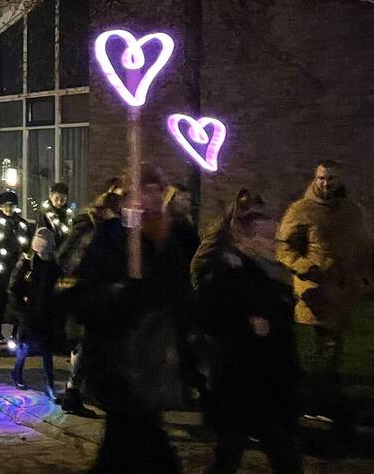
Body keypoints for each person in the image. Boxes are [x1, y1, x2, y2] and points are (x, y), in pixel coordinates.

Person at [67, 164, 191, 473]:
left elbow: (179, 290)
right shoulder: (110, 235)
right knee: (139, 442)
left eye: (158, 190)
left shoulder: (167, 237)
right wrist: (122, 292)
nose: (153, 197)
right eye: (146, 190)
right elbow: (85, 292)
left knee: (126, 444)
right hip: (118, 359)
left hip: (152, 358)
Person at [193, 189, 302, 474]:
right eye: (267, 238)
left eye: (275, 237)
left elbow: (283, 321)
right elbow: (207, 313)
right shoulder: (228, 270)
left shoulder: (274, 273)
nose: (273, 244)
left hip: (268, 381)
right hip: (240, 380)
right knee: (234, 452)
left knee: (274, 452)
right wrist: (246, 322)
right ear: (248, 238)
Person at [275, 160, 373, 432]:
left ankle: (327, 400)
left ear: (338, 180)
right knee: (313, 351)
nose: (325, 183)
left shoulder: (353, 211)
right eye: (321, 178)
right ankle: (309, 403)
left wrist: (364, 276)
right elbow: (284, 247)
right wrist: (305, 267)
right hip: (314, 291)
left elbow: (365, 246)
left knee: (333, 349)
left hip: (343, 291)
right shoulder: (301, 211)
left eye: (330, 179)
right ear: (315, 179)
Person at [55, 178, 124, 415]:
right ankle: (75, 394)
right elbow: (68, 255)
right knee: (86, 346)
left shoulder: (117, 226)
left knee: (92, 347)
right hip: (87, 295)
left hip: (102, 295)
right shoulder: (92, 223)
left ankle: (82, 392)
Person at [8, 221, 62, 399]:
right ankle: (17, 372)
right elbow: (15, 288)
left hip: (46, 314)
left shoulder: (54, 265)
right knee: (24, 348)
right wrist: (21, 311)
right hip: (29, 313)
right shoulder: (28, 263)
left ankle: (49, 383)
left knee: (47, 352)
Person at [0, 190, 30, 344]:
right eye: (6, 205)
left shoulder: (21, 223)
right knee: (0, 301)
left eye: (12, 205)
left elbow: (26, 243)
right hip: (0, 267)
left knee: (18, 301)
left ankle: (17, 333)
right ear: (1, 206)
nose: (9, 208)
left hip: (17, 266)